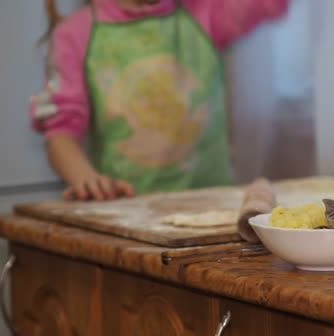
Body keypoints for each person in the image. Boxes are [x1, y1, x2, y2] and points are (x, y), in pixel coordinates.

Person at [30, 0, 288, 201]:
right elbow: (61, 133)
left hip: (213, 205)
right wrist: (85, 178)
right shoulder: (74, 34)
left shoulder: (204, 12)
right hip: (128, 210)